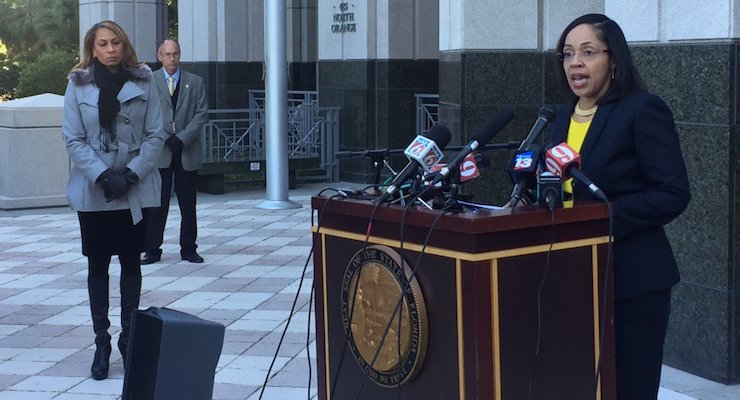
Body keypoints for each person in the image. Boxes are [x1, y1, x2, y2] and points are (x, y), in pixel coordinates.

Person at [549, 14, 691, 399]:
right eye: (567, 54)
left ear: (614, 60)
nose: (574, 63)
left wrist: (599, 220)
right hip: (571, 275)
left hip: (633, 279)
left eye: (588, 52)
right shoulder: (557, 117)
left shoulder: (642, 109)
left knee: (629, 386)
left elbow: (672, 192)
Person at [62, 20, 164, 380]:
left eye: (116, 42)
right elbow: (73, 139)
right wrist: (104, 176)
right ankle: (102, 341)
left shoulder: (145, 80)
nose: (110, 49)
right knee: (97, 266)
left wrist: (132, 174)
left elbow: (156, 134)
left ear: (125, 45)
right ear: (92, 48)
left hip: (133, 186)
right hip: (95, 188)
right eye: (103, 44)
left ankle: (129, 337)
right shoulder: (77, 85)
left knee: (131, 265)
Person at [142, 39, 208, 265]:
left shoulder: (195, 82)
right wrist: (163, 137)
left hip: (186, 152)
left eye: (176, 54)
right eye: (168, 54)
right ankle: (152, 249)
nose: (172, 59)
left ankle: (189, 248)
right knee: (157, 204)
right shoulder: (149, 82)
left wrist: (182, 137)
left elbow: (201, 114)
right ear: (159, 56)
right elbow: (146, 115)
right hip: (160, 152)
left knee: (188, 205)